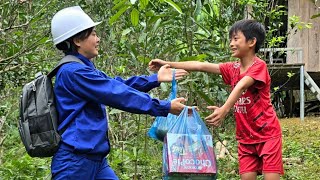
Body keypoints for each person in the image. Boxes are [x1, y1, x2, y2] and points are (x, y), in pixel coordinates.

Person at [50, 6, 188, 180]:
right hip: (75, 161)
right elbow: (117, 94)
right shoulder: (74, 72)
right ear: (77, 40)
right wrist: (164, 106)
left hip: (95, 159)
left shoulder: (83, 68)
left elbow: (115, 85)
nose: (98, 39)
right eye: (93, 34)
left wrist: (154, 79)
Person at [149, 19, 284, 180]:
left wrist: (224, 109)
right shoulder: (232, 68)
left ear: (252, 42)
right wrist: (168, 64)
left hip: (267, 134)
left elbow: (241, 85)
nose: (231, 43)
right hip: (246, 138)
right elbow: (201, 65)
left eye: (236, 39)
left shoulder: (258, 66)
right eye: (230, 39)